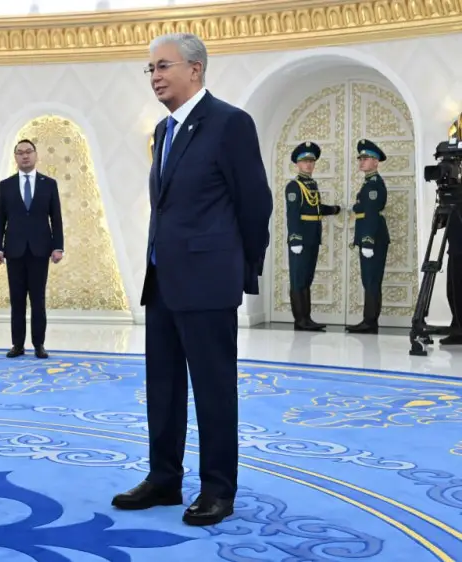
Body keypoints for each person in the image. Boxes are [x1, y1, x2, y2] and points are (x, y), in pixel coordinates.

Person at [111, 33, 272, 526]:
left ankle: (218, 489)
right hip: (162, 279)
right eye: (151, 69)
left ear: (195, 69)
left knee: (213, 390)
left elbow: (255, 203)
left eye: (163, 66)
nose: (155, 76)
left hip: (208, 282)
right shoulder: (163, 130)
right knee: (162, 388)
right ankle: (164, 479)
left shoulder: (230, 123)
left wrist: (240, 269)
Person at [0, 139, 64, 359]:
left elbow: (56, 218)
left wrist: (58, 246)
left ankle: (39, 344)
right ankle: (17, 345)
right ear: (15, 157)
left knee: (38, 300)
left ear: (36, 155)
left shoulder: (48, 184)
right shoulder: (6, 185)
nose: (25, 156)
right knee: (17, 300)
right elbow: (0, 218)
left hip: (40, 250)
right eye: (20, 152)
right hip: (14, 250)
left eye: (28, 152)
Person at [285, 142, 340, 331]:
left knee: (307, 279)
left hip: (313, 238)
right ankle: (300, 320)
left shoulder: (311, 184)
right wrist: (295, 239)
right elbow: (293, 214)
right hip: (300, 239)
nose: (308, 165)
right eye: (304, 161)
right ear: (297, 164)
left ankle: (307, 318)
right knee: (298, 279)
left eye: (311, 161)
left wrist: (334, 209)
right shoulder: (294, 186)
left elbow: (315, 208)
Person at [346, 139, 389, 334]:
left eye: (366, 158)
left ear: (376, 161)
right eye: (360, 158)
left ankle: (369, 322)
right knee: (369, 280)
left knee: (371, 281)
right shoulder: (369, 183)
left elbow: (371, 213)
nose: (361, 161)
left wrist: (368, 241)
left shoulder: (373, 185)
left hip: (373, 237)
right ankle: (369, 320)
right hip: (369, 235)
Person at [442, 207, 461, 345]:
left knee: (457, 292)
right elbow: (441, 223)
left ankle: (459, 330)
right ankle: (457, 328)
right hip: (455, 248)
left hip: (459, 250)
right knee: (452, 292)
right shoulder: (453, 204)